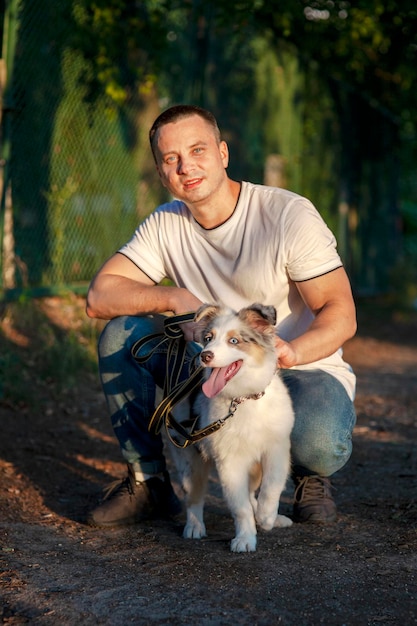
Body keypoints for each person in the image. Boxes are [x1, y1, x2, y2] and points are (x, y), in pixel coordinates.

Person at [85, 104, 357, 528]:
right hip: (210, 370)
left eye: (197, 150)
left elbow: (340, 312)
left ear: (223, 153)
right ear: (160, 171)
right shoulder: (165, 224)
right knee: (121, 334)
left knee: (318, 440)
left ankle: (308, 476)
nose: (186, 167)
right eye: (171, 159)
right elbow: (100, 296)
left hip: (296, 368)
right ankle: (148, 481)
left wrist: (288, 351)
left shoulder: (287, 213)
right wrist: (176, 299)